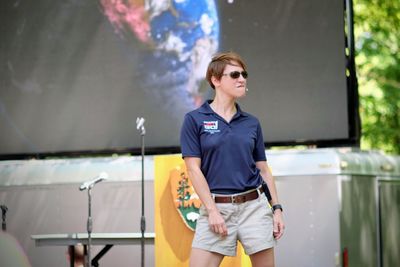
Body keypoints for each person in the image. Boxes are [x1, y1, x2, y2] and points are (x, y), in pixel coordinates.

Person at [180, 51, 285, 267]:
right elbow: (193, 169)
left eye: (244, 74)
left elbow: (263, 170)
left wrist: (277, 209)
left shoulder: (251, 123)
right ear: (215, 80)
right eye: (235, 74)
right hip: (217, 207)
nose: (242, 79)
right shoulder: (194, 119)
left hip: (254, 207)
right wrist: (212, 211)